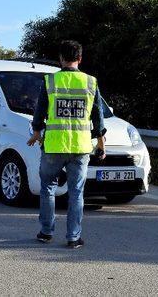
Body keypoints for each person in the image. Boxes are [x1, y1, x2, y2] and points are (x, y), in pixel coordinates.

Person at [27, 40, 106, 249]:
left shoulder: (50, 81)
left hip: (54, 146)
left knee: (47, 188)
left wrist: (36, 132)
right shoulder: (90, 82)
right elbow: (98, 116)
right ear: (80, 59)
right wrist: (100, 144)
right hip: (80, 148)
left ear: (61, 59)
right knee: (76, 192)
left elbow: (40, 111)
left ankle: (46, 232)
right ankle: (73, 237)